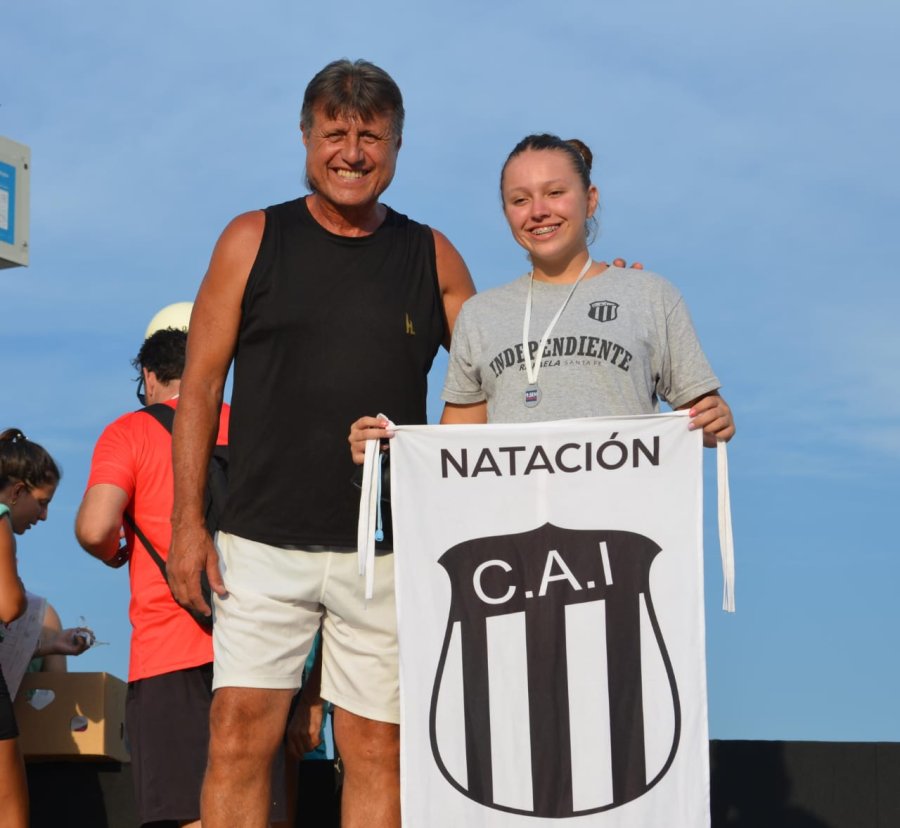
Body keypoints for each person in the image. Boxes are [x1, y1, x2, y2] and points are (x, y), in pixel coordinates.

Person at [165, 57, 480, 828]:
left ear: (398, 146)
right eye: (335, 133)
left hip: (386, 552)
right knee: (239, 737)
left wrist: (590, 294)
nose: (352, 152)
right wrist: (186, 525)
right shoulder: (251, 237)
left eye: (371, 136)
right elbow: (200, 389)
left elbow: (495, 377)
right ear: (306, 138)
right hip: (260, 544)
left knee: (376, 749)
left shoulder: (431, 255)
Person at [350, 133, 734, 454]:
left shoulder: (651, 296)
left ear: (591, 199)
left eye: (555, 193)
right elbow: (453, 448)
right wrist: (389, 446)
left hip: (623, 531)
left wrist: (716, 419)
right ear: (506, 213)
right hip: (518, 536)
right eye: (520, 200)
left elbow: (705, 422)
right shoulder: (481, 315)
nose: (538, 212)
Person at [75, 320, 236, 828]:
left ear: (148, 375)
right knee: (250, 809)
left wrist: (114, 551)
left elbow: (95, 524)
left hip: (170, 648)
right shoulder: (249, 424)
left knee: (184, 811)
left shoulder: (130, 430)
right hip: (257, 645)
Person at [0, 428, 63, 828]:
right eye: (41, 503)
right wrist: (18, 585)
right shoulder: (0, 518)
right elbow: (9, 606)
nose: (43, 515)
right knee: (10, 806)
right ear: (16, 491)